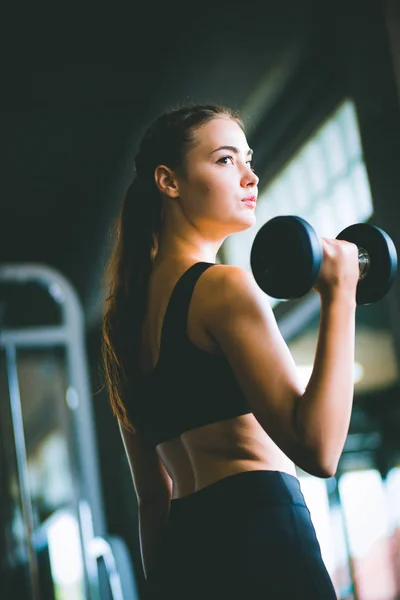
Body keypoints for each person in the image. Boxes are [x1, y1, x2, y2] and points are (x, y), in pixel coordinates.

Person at [101, 103, 359, 599]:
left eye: (248, 159)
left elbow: (153, 498)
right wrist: (339, 292)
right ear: (168, 181)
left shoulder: (123, 322)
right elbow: (320, 448)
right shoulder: (224, 289)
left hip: (184, 555)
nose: (249, 176)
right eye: (225, 160)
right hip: (263, 540)